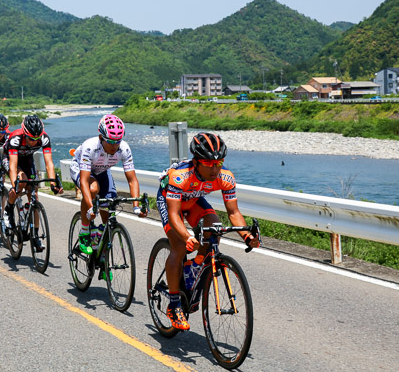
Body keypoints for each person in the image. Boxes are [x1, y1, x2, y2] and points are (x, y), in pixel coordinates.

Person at [157, 132, 260, 331]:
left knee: (215, 227)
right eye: (208, 164)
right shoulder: (179, 176)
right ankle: (174, 304)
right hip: (171, 202)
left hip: (194, 200)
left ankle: (194, 266)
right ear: (196, 162)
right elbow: (174, 215)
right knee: (178, 246)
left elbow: (234, 212)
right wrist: (187, 236)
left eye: (219, 163)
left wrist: (248, 237)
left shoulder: (225, 177)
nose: (214, 169)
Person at [70, 115, 144, 266]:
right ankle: (85, 232)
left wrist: (136, 206)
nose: (114, 146)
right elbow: (84, 181)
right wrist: (90, 207)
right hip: (81, 169)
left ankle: (102, 252)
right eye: (110, 141)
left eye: (117, 141)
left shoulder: (124, 148)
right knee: (93, 188)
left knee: (109, 208)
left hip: (103, 171)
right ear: (101, 137)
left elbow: (132, 180)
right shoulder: (90, 146)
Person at [2, 114, 62, 251]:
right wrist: (14, 185)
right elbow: (12, 165)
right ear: (24, 133)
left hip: (28, 159)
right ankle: (9, 209)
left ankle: (35, 234)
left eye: (37, 139)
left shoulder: (44, 138)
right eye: (31, 139)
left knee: (34, 195)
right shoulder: (15, 138)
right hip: (10, 158)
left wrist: (53, 184)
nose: (34, 142)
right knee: (21, 180)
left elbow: (49, 163)